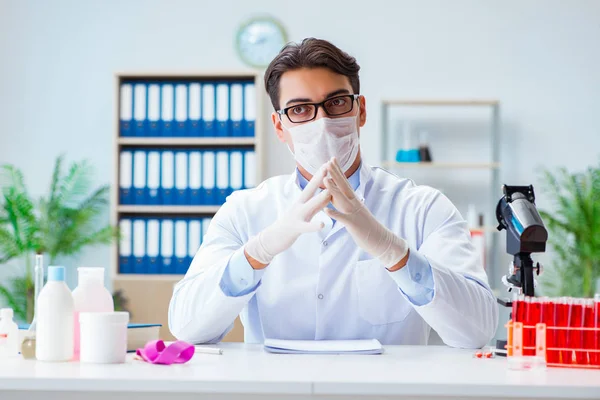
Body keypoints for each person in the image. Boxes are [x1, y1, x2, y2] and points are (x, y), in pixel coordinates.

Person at [168, 38, 498, 348]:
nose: (322, 121)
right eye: (300, 109)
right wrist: (259, 251)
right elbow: (186, 328)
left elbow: (476, 331)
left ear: (361, 110)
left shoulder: (424, 208)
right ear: (280, 126)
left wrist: (391, 250)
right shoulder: (244, 211)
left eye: (337, 102)